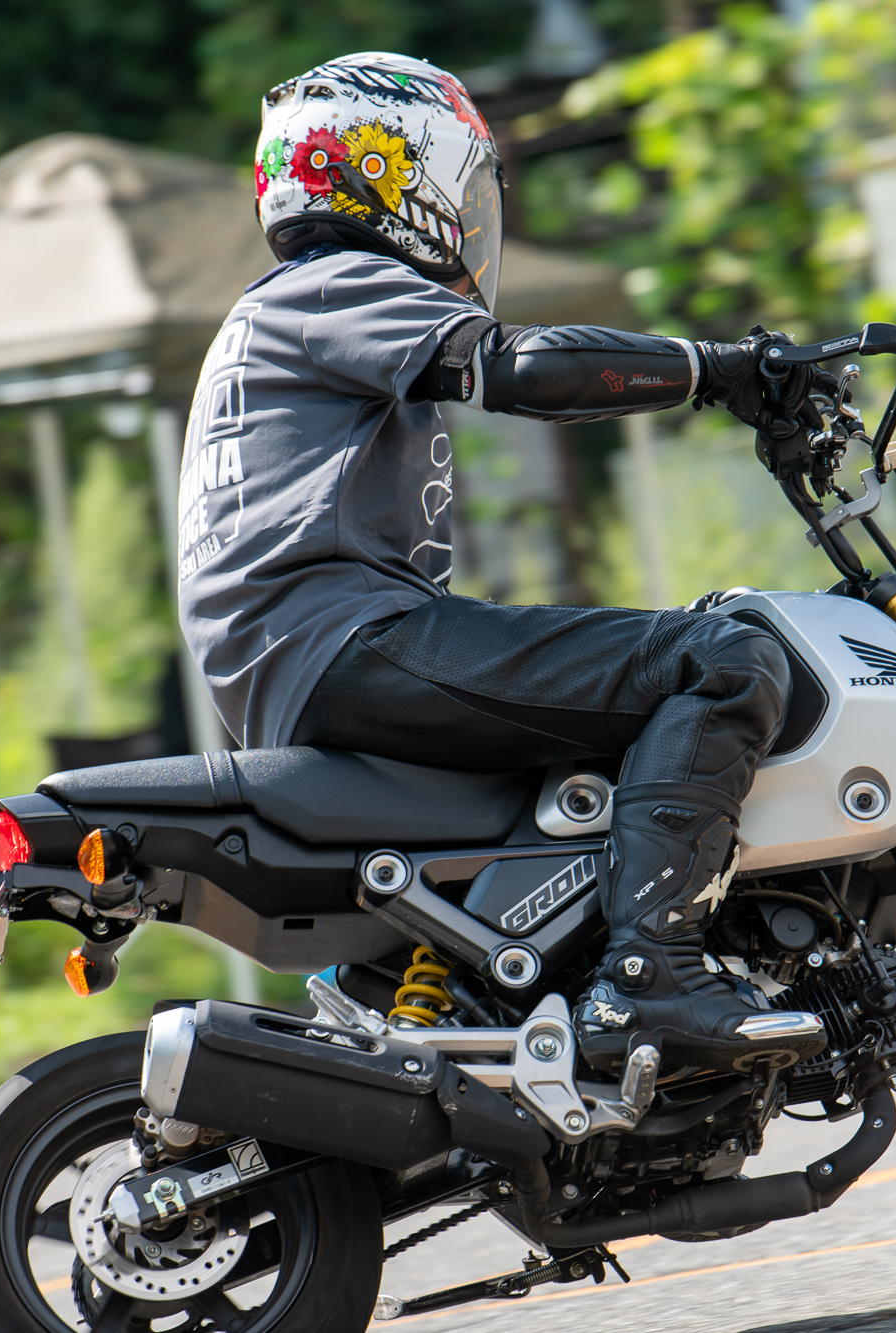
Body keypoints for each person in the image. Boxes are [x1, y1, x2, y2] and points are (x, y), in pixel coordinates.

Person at [178, 52, 831, 1075]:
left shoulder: (287, 309)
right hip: (341, 640)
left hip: (308, 655)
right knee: (723, 658)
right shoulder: (335, 285)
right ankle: (651, 972)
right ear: (398, 177)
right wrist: (719, 371)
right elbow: (517, 367)